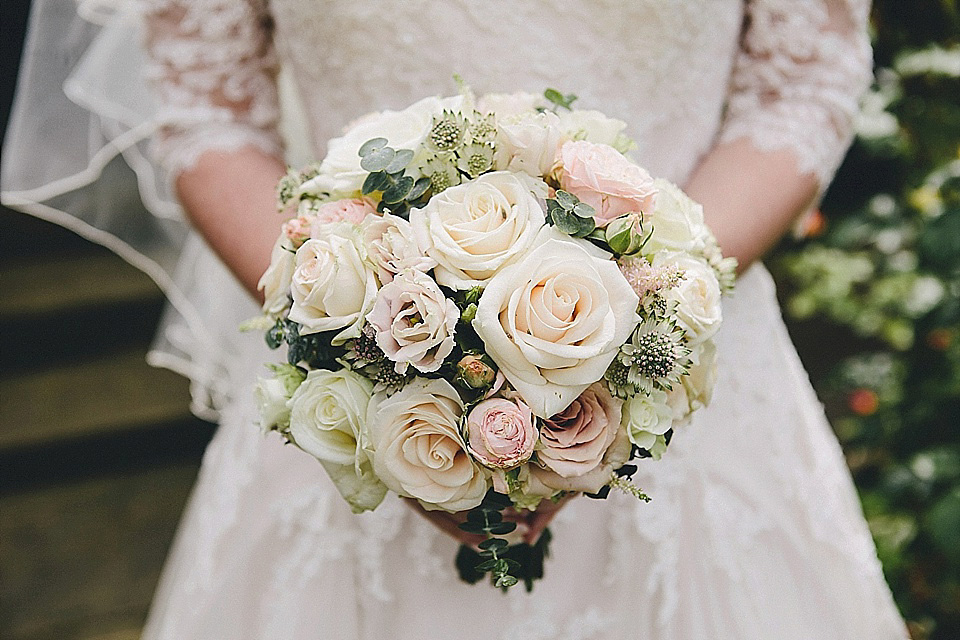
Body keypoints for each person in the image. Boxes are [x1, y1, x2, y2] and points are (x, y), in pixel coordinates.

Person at [2, 0, 909, 638]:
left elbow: (799, 84)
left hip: (693, 387)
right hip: (355, 389)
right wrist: (358, 344)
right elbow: (207, 106)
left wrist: (641, 324)